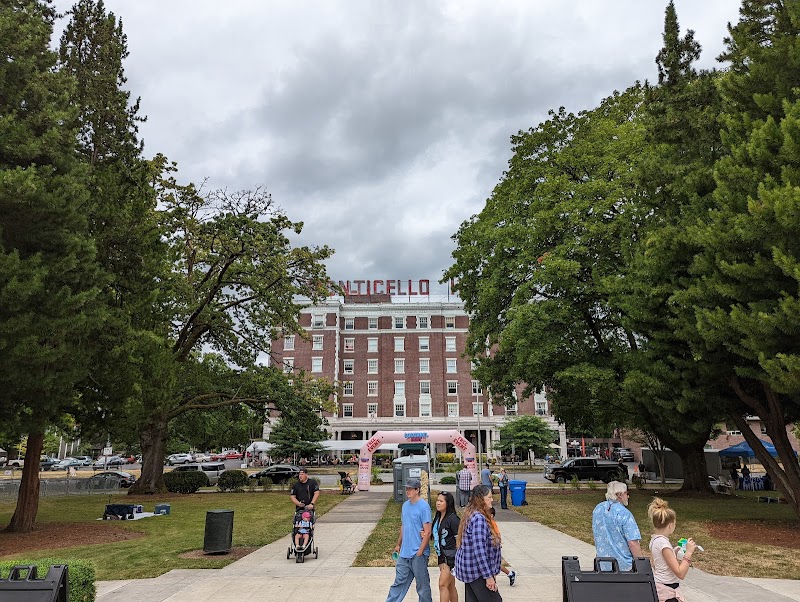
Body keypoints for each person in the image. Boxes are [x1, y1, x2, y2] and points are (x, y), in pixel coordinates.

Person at [386, 477, 433, 602]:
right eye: (407, 489)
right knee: (399, 582)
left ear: (417, 490)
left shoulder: (424, 507)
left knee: (422, 586)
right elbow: (404, 526)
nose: (408, 491)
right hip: (404, 553)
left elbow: (427, 532)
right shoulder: (405, 506)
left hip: (418, 553)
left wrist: (420, 552)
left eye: (410, 489)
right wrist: (398, 544)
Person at [454, 484, 503, 601]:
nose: (492, 500)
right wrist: (488, 576)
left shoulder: (471, 514)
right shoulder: (479, 519)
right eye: (489, 497)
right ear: (481, 499)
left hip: (472, 571)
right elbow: (479, 550)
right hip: (478, 573)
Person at [648, 497, 696, 602]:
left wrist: (673, 552)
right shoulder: (664, 543)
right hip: (668, 592)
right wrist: (688, 552)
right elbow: (680, 573)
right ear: (670, 525)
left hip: (660, 586)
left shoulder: (655, 539)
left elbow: (657, 562)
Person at [592, 481, 642, 571]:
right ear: (619, 495)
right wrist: (641, 564)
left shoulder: (598, 509)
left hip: (602, 565)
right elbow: (633, 543)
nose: (628, 496)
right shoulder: (624, 513)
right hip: (623, 566)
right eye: (626, 493)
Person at [432, 491, 460, 602]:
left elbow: (459, 540)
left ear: (448, 503)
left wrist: (458, 559)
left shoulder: (453, 519)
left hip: (450, 557)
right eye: (437, 500)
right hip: (441, 556)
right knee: (450, 585)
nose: (438, 503)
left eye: (441, 501)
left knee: (442, 585)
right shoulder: (438, 517)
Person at [489, 507, 516, 587]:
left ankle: (494, 583)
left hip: (494, 546)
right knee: (495, 564)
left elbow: (497, 534)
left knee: (494, 565)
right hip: (492, 545)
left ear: (491, 515)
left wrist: (498, 542)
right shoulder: (489, 522)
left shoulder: (492, 523)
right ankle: (510, 574)